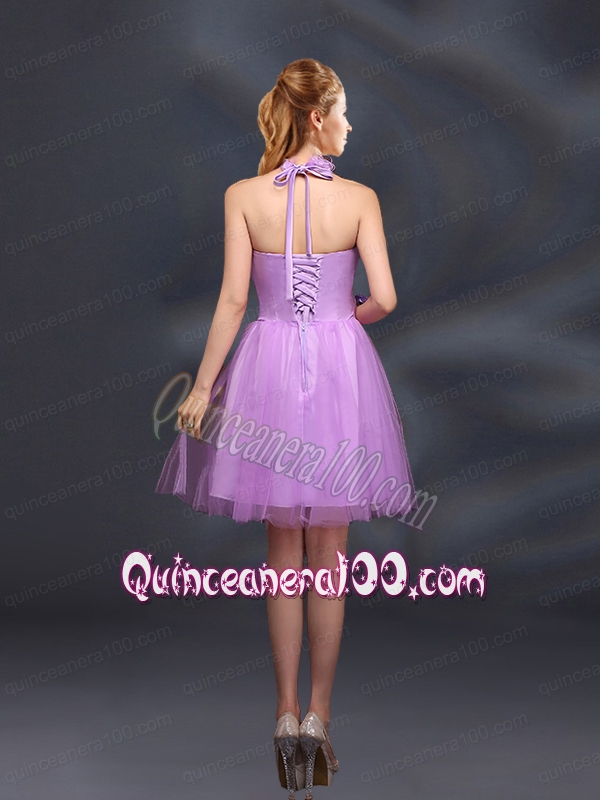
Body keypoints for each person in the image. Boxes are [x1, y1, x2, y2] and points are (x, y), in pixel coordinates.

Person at [156, 58, 419, 798]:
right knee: (329, 557)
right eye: (343, 112)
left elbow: (232, 302)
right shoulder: (360, 200)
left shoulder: (243, 196)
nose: (349, 126)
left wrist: (202, 389)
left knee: (281, 555)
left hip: (266, 370)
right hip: (340, 372)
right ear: (316, 117)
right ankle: (318, 719)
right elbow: (386, 299)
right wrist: (344, 315)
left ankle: (281, 715)